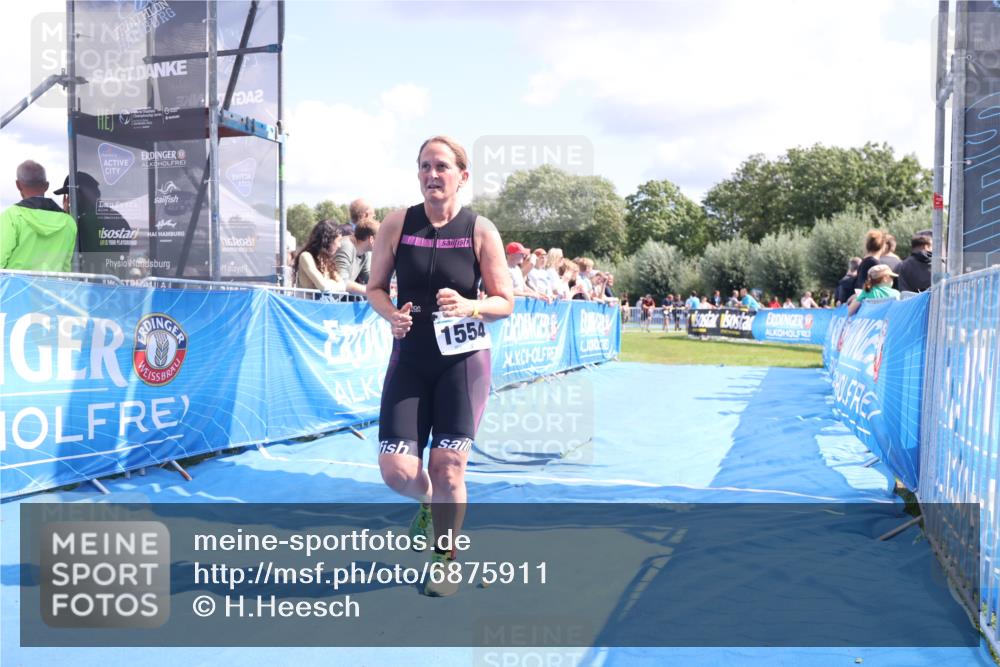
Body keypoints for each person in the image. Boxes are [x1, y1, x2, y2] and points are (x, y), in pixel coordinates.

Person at [366, 136, 514, 597]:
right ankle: (428, 503)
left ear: (462, 176)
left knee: (449, 466)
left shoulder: (480, 230)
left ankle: (444, 558)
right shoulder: (397, 223)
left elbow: (504, 301)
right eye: (425, 166)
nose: (433, 174)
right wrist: (391, 314)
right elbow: (374, 287)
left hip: (463, 363)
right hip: (410, 358)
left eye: (443, 167)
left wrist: (471, 305)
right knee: (397, 473)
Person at [0, 160, 76, 271]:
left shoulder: (11, 217)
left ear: (18, 185)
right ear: (46, 186)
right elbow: (66, 269)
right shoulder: (69, 222)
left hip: (15, 288)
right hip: (52, 288)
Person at [54, 171, 133, 276]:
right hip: (116, 283)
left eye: (69, 196)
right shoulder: (115, 217)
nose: (68, 201)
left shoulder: (82, 223)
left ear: (79, 196)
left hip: (91, 286)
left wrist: (66, 216)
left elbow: (67, 253)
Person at [293, 219, 347, 292]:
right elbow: (324, 287)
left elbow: (343, 286)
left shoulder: (327, 261)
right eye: (338, 240)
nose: (339, 245)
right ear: (328, 240)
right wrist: (332, 283)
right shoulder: (306, 256)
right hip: (306, 303)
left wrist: (328, 283)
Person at [334, 218, 379, 295]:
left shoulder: (365, 252)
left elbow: (367, 277)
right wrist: (374, 292)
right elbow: (342, 281)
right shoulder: (346, 246)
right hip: (319, 303)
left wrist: (384, 288)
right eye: (381, 238)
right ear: (371, 240)